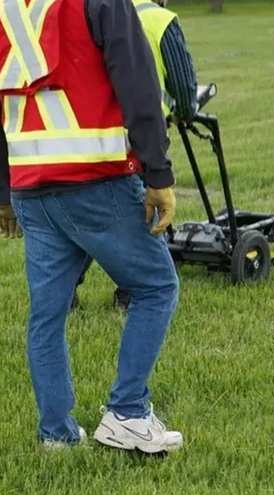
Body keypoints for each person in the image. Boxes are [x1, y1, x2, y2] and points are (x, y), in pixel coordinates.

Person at [0, 0, 181, 452]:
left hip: (30, 189)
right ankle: (127, 414)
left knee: (47, 315)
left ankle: (57, 435)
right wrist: (158, 174)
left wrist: (2, 194)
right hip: (97, 179)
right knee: (156, 287)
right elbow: (139, 85)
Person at [75, 0, 198, 312]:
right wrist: (186, 111)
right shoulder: (160, 19)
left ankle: (67, 290)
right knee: (140, 214)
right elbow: (183, 86)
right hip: (142, 134)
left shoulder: (91, 10)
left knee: (87, 215)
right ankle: (132, 291)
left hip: (93, 133)